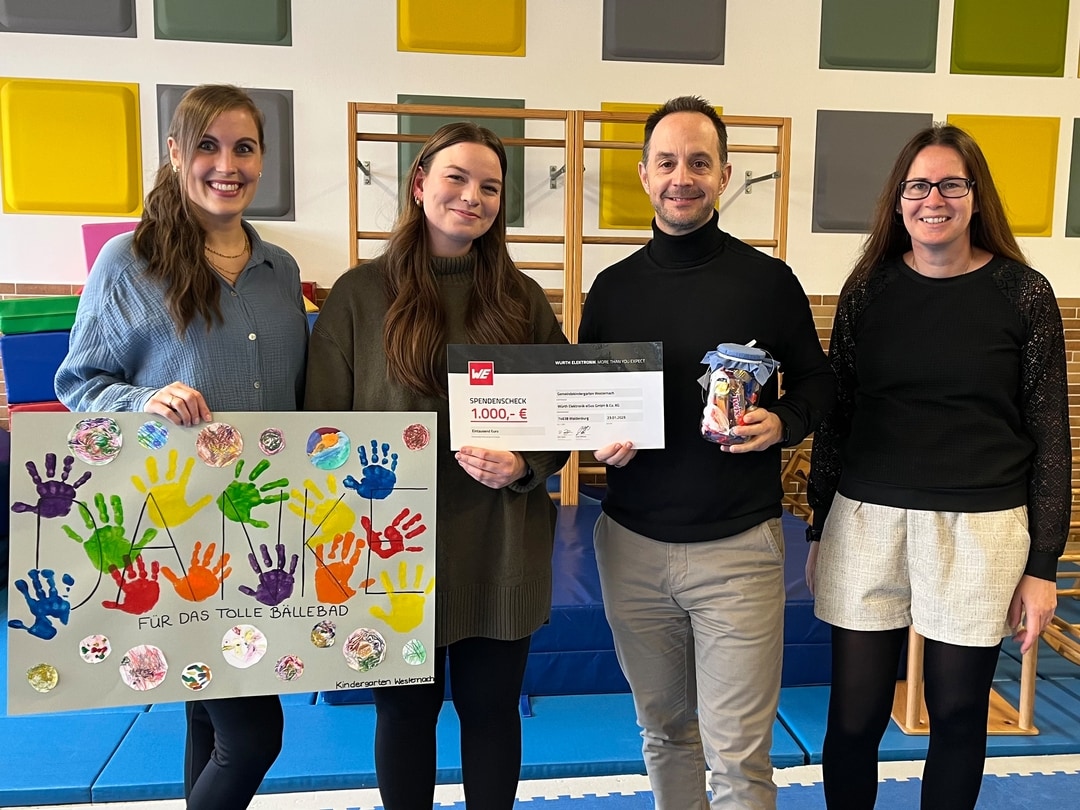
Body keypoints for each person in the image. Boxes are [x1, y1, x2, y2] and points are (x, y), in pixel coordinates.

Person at [578, 96, 835, 809]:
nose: (681, 177)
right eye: (667, 162)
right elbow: (585, 405)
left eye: (699, 162)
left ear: (725, 174)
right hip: (630, 547)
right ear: (643, 174)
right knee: (663, 733)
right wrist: (598, 443)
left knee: (739, 757)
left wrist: (782, 421)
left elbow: (820, 381)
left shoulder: (767, 281)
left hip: (739, 551)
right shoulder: (612, 288)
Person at [55, 84, 307, 810]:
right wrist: (145, 402)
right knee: (255, 737)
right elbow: (80, 383)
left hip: (264, 537)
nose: (226, 164)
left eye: (244, 148)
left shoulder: (280, 269)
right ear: (174, 153)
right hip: (178, 538)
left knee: (212, 722)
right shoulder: (127, 262)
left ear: (262, 160)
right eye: (207, 145)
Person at [304, 122, 569, 809]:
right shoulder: (359, 296)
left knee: (490, 717)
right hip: (389, 554)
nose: (471, 196)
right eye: (456, 177)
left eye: (489, 186)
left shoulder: (522, 299)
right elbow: (321, 429)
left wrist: (524, 462)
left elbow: (565, 421)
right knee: (403, 717)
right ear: (420, 184)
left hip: (498, 546)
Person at [805, 123, 1069, 810]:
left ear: (976, 198)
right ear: (898, 202)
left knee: (957, 716)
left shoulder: (1025, 294)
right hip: (867, 518)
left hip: (982, 525)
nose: (934, 198)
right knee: (853, 719)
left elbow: (1049, 434)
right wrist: (816, 526)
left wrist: (1042, 567)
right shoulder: (867, 290)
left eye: (952, 184)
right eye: (918, 185)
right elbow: (837, 418)